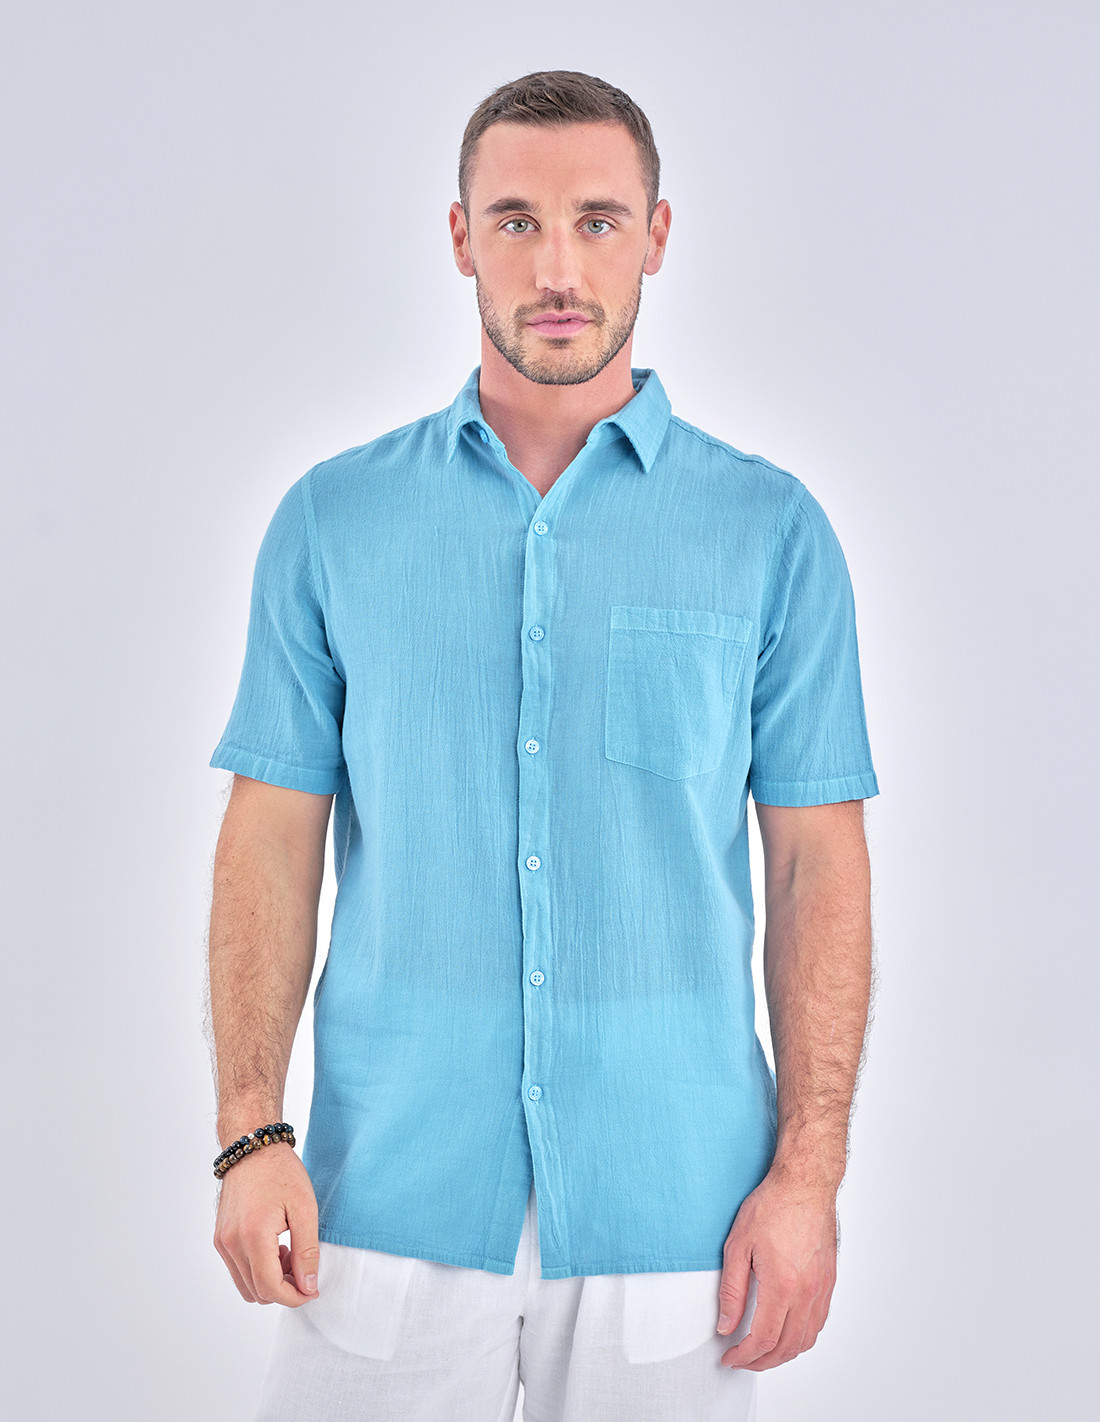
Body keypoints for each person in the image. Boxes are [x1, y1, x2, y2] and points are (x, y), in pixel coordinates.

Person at [205, 69, 879, 1422]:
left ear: (658, 235)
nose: (558, 267)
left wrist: (809, 1177)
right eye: (516, 221)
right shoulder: (333, 523)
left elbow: (818, 865)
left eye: (597, 221)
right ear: (460, 238)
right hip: (383, 1196)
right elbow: (270, 836)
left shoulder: (772, 533)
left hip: (678, 1217)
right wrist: (249, 1130)